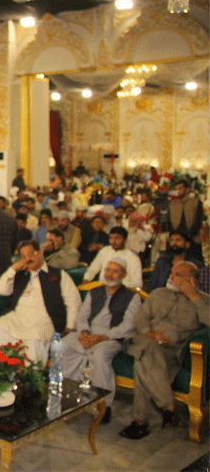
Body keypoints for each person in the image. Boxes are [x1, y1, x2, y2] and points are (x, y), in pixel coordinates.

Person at [119, 262, 209, 439]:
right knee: (148, 347)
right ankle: (167, 407)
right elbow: (141, 317)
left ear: (192, 280)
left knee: (142, 362)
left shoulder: (203, 300)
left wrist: (194, 297)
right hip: (145, 339)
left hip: (171, 351)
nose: (171, 276)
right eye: (171, 272)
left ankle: (141, 422)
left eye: (178, 274)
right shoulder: (158, 293)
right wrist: (150, 333)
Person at [61, 256, 141, 424]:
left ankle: (104, 405)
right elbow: (82, 316)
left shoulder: (132, 297)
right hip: (88, 333)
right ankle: (68, 394)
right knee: (64, 345)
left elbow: (129, 326)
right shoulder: (94, 291)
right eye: (107, 270)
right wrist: (83, 332)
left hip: (112, 338)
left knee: (99, 356)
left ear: (124, 274)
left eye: (115, 271)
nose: (110, 274)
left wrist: (102, 337)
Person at [0, 240, 82, 362]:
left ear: (39, 253)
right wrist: (13, 269)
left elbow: (73, 301)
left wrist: (70, 326)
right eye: (23, 257)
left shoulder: (58, 274)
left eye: (30, 254)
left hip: (44, 320)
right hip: (18, 318)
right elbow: (0, 290)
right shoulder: (20, 275)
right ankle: (4, 367)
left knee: (34, 336)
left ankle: (30, 375)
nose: (28, 258)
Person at [167, 180, 204, 264]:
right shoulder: (172, 203)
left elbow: (198, 220)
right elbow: (169, 220)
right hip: (177, 239)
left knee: (195, 262)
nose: (178, 191)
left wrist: (189, 235)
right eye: (176, 189)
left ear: (187, 190)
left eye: (180, 189)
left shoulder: (196, 202)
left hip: (193, 238)